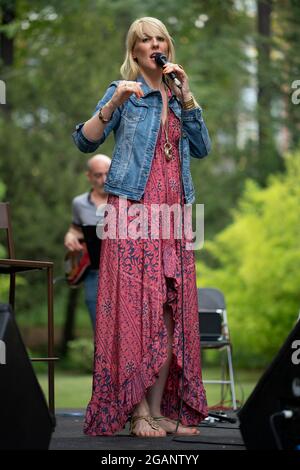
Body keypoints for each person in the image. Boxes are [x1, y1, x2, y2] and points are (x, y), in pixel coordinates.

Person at [72, 16, 211, 437]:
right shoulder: (124, 93)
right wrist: (112, 104)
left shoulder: (179, 93)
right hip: (133, 213)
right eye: (145, 39)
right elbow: (84, 139)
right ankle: (136, 413)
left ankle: (159, 410)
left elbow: (202, 147)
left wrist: (186, 96)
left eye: (159, 38)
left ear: (167, 47)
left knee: (169, 312)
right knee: (137, 311)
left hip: (173, 218)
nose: (154, 44)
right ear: (134, 52)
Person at [64, 154, 111, 328]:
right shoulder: (79, 203)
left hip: (124, 273)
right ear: (89, 176)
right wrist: (70, 236)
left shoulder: (125, 201)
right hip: (93, 272)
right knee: (99, 328)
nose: (103, 180)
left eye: (108, 174)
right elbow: (75, 229)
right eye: (98, 175)